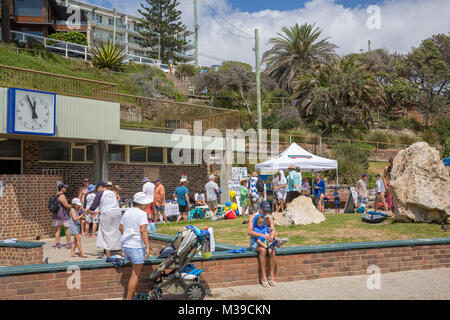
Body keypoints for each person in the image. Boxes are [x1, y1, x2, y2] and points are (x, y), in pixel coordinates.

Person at [119, 192, 151, 300]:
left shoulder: (127, 212)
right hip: (136, 246)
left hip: (126, 246)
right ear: (141, 203)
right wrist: (147, 247)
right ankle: (128, 298)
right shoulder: (142, 214)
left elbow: (120, 228)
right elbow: (143, 230)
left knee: (134, 273)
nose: (147, 205)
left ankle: (134, 295)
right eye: (145, 203)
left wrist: (126, 237)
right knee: (135, 274)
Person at [86, 181, 121, 258]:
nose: (97, 190)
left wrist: (87, 211)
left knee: (105, 234)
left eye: (97, 188)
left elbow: (93, 207)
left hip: (107, 214)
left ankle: (107, 255)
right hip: (117, 213)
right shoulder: (113, 193)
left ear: (100, 187)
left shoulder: (100, 193)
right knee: (116, 232)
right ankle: (122, 252)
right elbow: (110, 205)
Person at [247, 201, 278, 287]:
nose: (266, 213)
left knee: (272, 250)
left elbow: (274, 230)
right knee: (263, 250)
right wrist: (263, 235)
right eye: (264, 211)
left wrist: (272, 235)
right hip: (255, 242)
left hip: (266, 241)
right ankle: (263, 276)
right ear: (260, 208)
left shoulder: (269, 218)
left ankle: (271, 276)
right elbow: (249, 232)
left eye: (267, 211)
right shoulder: (253, 217)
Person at [53, 183, 72, 249]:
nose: (66, 189)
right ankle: (69, 243)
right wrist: (73, 207)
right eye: (65, 187)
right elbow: (66, 205)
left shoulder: (56, 195)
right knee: (67, 228)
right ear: (61, 188)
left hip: (56, 214)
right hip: (62, 214)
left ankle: (57, 243)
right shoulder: (62, 196)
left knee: (58, 229)